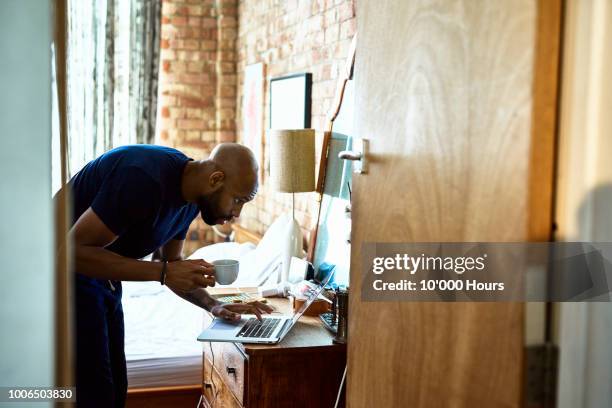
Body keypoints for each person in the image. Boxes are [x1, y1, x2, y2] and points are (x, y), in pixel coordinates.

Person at [57, 143, 272, 407]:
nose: (237, 213)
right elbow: (71, 252)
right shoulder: (142, 178)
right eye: (238, 200)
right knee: (95, 394)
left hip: (102, 274)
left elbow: (171, 262)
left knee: (115, 389)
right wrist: (164, 272)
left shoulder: (192, 198)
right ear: (216, 179)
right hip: (58, 272)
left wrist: (214, 305)